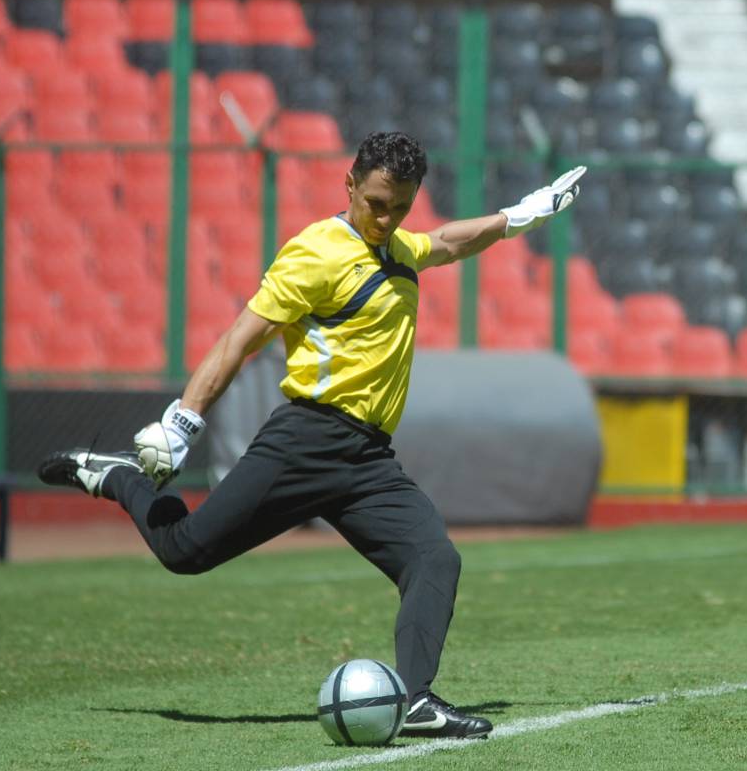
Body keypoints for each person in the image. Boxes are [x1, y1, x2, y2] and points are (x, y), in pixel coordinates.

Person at [38, 131, 585, 740]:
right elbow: (240, 338)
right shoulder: (316, 252)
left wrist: (519, 217)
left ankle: (418, 699)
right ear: (349, 184)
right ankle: (118, 477)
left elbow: (449, 240)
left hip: (368, 457)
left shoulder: (397, 247)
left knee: (434, 558)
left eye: (400, 206)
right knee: (184, 552)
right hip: (307, 439)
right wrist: (184, 418)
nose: (387, 217)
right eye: (377, 202)